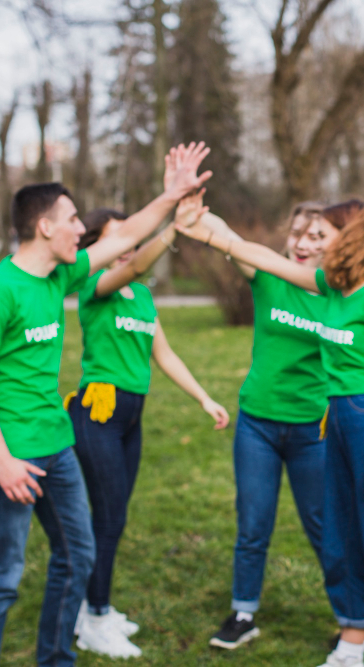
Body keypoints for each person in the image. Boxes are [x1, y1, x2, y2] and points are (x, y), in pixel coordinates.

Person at [0, 142, 212, 667]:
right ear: (45, 226)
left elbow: (130, 234)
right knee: (0, 578)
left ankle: (55, 658)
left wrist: (171, 194)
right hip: (12, 456)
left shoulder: (61, 275)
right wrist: (1, 459)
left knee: (78, 555)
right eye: (73, 219)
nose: (82, 228)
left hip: (58, 445)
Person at [178, 199, 364, 667]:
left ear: (350, 238)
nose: (314, 243)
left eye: (325, 234)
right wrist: (208, 233)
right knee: (340, 537)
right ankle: (351, 643)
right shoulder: (331, 286)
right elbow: (265, 259)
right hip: (336, 420)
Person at [67, 192, 231, 659]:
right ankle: (94, 617)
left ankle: (91, 606)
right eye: (117, 236)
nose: (127, 244)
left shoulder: (140, 296)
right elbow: (134, 266)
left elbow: (164, 354)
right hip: (97, 411)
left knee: (113, 517)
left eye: (130, 235)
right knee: (108, 518)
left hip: (130, 416)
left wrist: (203, 397)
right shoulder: (93, 284)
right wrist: (173, 228)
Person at [190, 201, 341, 650]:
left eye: (315, 236)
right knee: (253, 524)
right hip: (257, 425)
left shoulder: (341, 296)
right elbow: (229, 237)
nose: (301, 243)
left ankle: (349, 617)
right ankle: (243, 612)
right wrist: (194, 208)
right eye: (296, 233)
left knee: (323, 526)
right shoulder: (268, 275)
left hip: (312, 430)